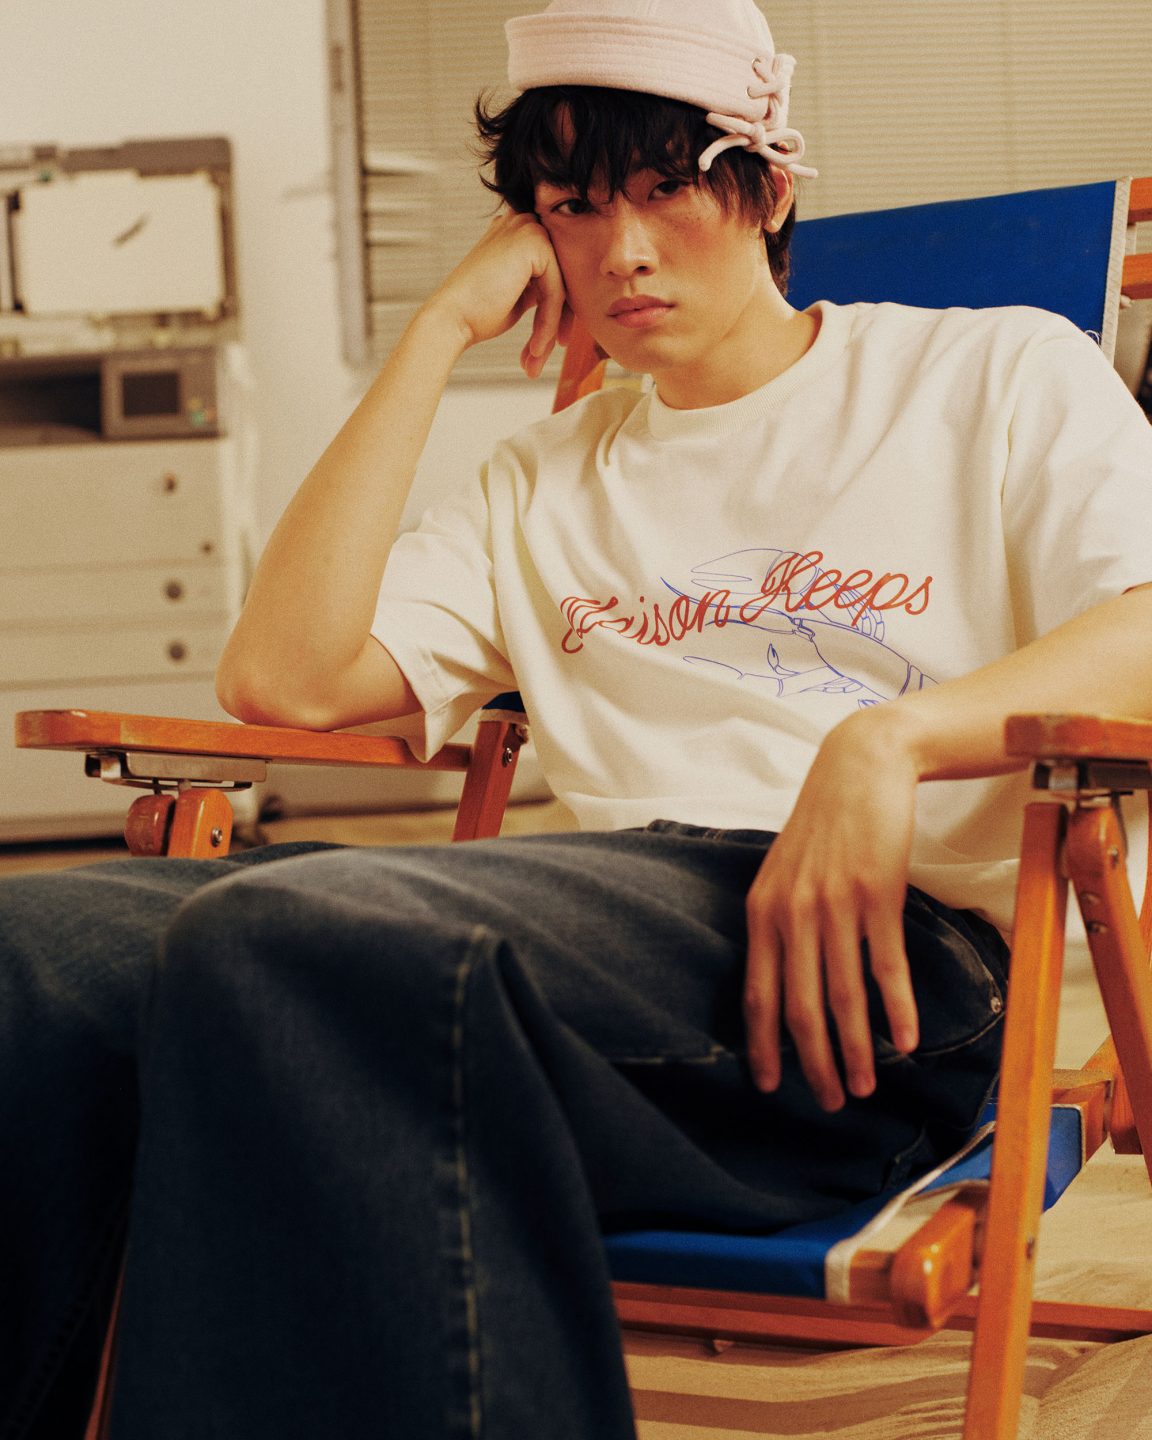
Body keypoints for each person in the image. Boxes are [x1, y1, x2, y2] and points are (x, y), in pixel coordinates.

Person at [4, 1, 1152, 1436]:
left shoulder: (989, 375)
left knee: (288, 947)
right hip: (599, 927)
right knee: (35, 952)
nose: (623, 251)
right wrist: (436, 331)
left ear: (769, 185)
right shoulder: (541, 479)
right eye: (574, 206)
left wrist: (890, 740)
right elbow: (282, 679)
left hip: (878, 970)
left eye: (666, 188)